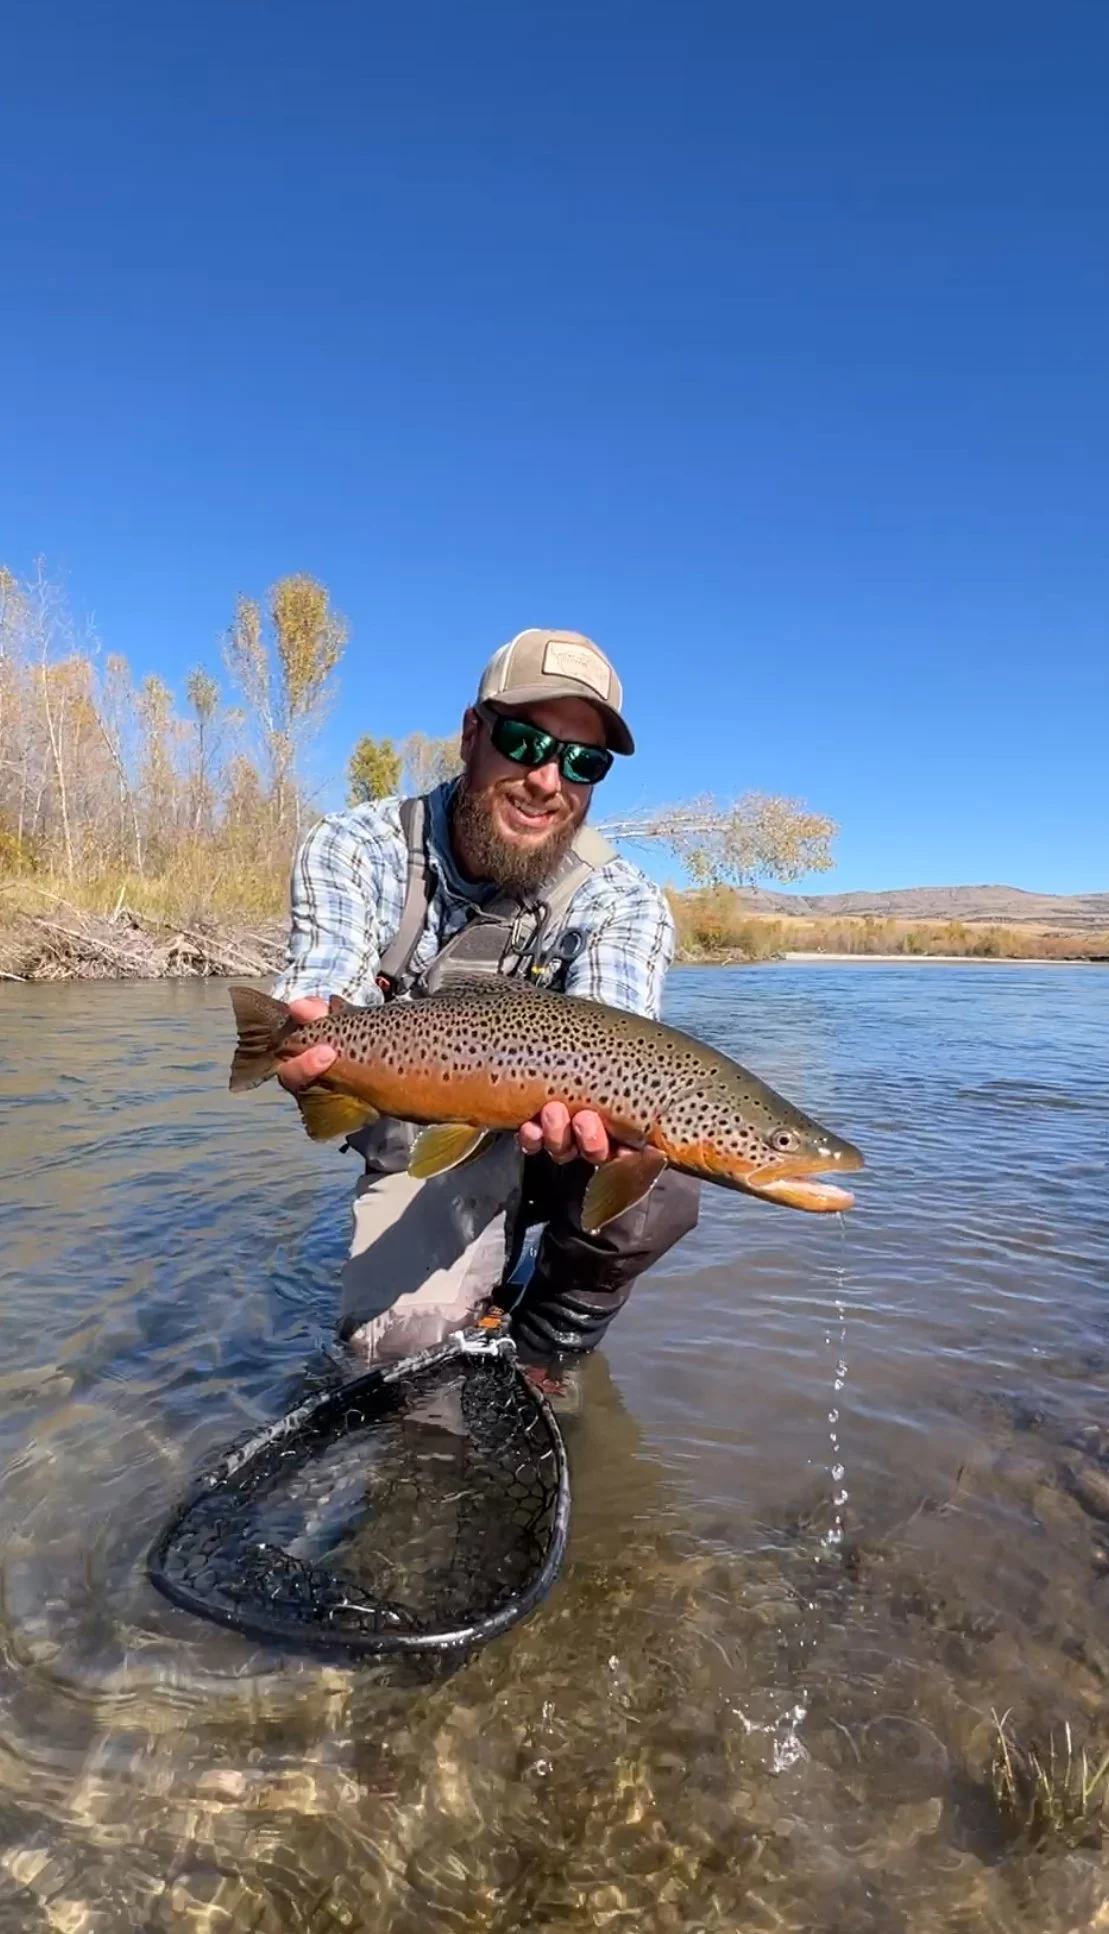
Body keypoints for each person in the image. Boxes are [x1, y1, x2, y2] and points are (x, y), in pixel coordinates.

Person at [271, 627, 700, 1394]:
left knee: (664, 1162)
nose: (546, 780)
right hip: (419, 1136)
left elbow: (614, 1037)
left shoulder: (621, 900)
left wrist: (603, 1124)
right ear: (473, 734)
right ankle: (458, 1308)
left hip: (556, 1143)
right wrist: (302, 1034)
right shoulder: (356, 846)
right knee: (400, 1369)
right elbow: (322, 985)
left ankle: (544, 1346)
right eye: (523, 740)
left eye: (582, 761)